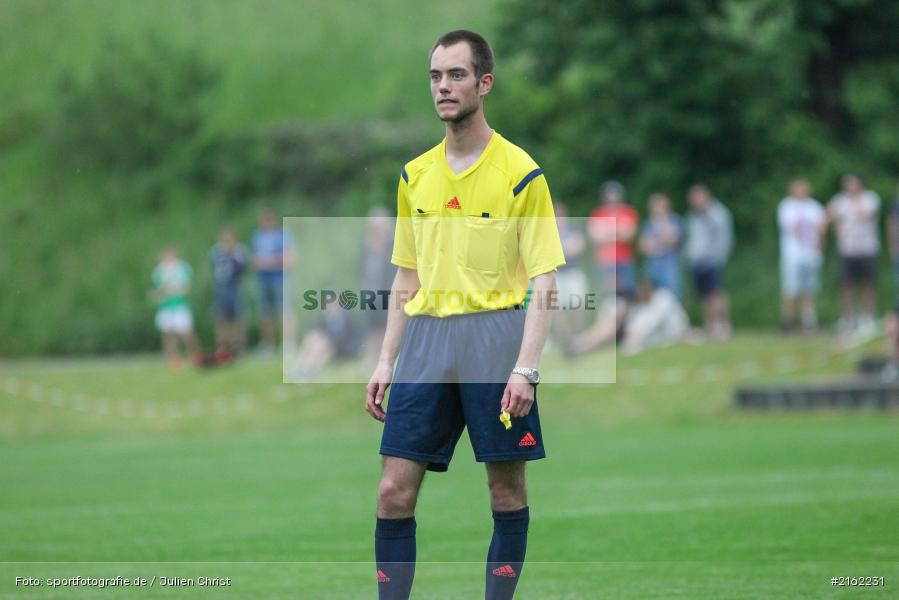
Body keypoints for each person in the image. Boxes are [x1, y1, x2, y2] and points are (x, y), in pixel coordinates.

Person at [363, 31, 565, 600]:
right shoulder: (414, 176)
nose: (443, 87)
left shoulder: (521, 173)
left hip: (495, 341)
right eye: (435, 77)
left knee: (505, 493)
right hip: (426, 341)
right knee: (392, 493)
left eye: (455, 75)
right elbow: (406, 277)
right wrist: (385, 360)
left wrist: (526, 368)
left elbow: (545, 278)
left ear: (484, 83)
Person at [828, 174, 880, 336]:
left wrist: (853, 201)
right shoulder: (839, 200)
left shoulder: (870, 198)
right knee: (846, 285)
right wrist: (835, 224)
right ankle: (848, 319)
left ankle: (868, 318)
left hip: (866, 248)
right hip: (847, 249)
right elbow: (828, 214)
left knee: (867, 284)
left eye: (853, 185)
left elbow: (866, 214)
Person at [684, 184, 733, 339]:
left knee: (716, 293)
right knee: (703, 296)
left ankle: (723, 325)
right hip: (696, 261)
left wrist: (719, 256)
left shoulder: (718, 213)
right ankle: (710, 325)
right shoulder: (692, 216)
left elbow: (724, 237)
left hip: (712, 260)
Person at [777, 179, 826, 333]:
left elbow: (821, 229)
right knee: (790, 289)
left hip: (811, 254)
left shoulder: (815, 206)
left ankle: (808, 323)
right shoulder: (786, 206)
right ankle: (787, 323)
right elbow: (791, 228)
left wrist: (820, 248)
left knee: (809, 290)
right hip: (792, 255)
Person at [251, 209, 296, 353]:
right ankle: (268, 344)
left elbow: (290, 258)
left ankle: (288, 344)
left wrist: (270, 261)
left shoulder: (283, 236)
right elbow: (255, 260)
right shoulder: (258, 237)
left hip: (280, 279)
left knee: (285, 311)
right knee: (265, 313)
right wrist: (274, 260)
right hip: (264, 280)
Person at [588, 181, 638, 298]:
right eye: (609, 196)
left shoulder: (628, 212)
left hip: (624, 259)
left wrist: (607, 232)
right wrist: (618, 231)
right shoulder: (597, 213)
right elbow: (594, 237)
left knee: (628, 293)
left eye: (615, 195)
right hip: (605, 260)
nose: (612, 199)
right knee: (607, 295)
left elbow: (629, 235)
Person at [152, 247, 200, 370]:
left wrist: (173, 289)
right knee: (168, 333)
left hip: (180, 305)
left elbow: (186, 287)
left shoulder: (182, 268)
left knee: (186, 332)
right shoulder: (159, 271)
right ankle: (172, 357)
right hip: (166, 306)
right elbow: (159, 290)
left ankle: (195, 354)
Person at [360, 206, 396, 367]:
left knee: (386, 326)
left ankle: (386, 360)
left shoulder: (392, 245)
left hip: (388, 292)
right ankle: (370, 359)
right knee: (371, 327)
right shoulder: (366, 245)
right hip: (370, 291)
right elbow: (361, 268)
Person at [209, 228, 250, 355]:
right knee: (222, 317)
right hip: (221, 287)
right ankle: (222, 345)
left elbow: (243, 267)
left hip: (235, 287)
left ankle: (238, 346)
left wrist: (232, 254)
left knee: (237, 317)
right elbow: (215, 266)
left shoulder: (240, 250)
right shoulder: (215, 251)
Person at [638, 192, 682, 297]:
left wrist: (661, 224)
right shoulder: (647, 224)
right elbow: (644, 247)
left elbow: (673, 240)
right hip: (652, 266)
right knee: (653, 297)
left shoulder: (675, 221)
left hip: (670, 265)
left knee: (673, 296)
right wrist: (662, 243)